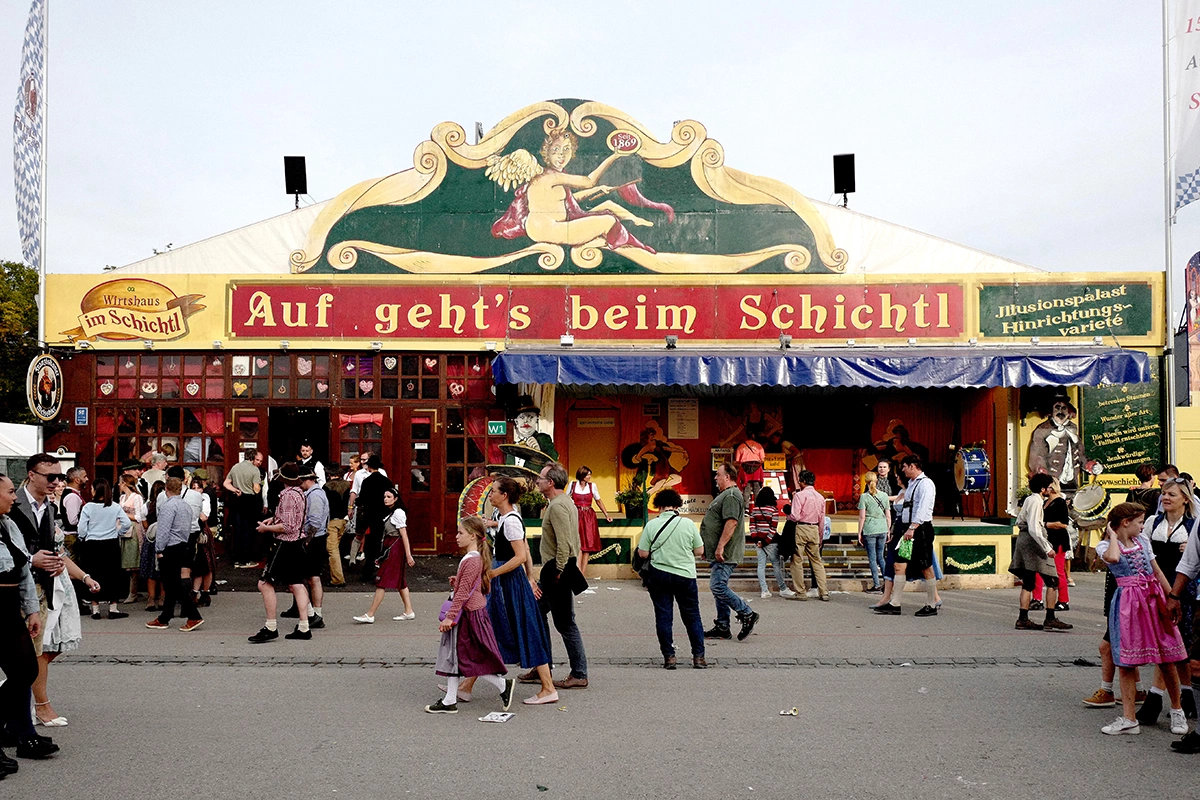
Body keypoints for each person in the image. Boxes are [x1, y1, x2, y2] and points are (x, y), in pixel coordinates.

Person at [1097, 502, 1188, 736]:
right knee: (1126, 663)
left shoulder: (1143, 542)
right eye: (1139, 522)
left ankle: (1178, 711)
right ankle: (1129, 718)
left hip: (1153, 597)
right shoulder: (1105, 545)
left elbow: (1156, 571)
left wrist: (1172, 598)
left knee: (1166, 657)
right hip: (1127, 604)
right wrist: (1113, 535)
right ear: (1125, 523)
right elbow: (1114, 558)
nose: (1142, 526)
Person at [470, 477, 557, 705]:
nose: (490, 495)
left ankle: (548, 688)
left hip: (508, 581)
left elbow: (521, 554)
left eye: (493, 492)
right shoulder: (505, 518)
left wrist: (495, 574)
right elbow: (522, 547)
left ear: (504, 496)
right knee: (492, 628)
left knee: (522, 628)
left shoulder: (511, 521)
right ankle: (464, 686)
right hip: (506, 579)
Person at [425, 517, 515, 715]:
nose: (456, 537)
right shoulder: (475, 558)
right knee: (458, 657)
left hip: (468, 615)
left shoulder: (472, 559)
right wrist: (458, 581)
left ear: (473, 536)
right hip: (471, 612)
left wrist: (450, 615)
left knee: (467, 658)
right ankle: (450, 699)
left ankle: (502, 684)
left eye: (460, 533)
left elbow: (464, 593)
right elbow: (477, 586)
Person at [0, 473, 53, 766]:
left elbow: (22, 570)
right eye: (9, 492)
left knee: (24, 670)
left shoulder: (8, 525)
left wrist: (31, 609)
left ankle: (21, 732)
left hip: (10, 608)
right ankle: (21, 732)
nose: (14, 497)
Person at [1137, 477, 1197, 727]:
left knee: (1177, 646)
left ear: (1185, 498)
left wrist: (1190, 549)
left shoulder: (1193, 526)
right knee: (1170, 646)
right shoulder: (1154, 522)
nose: (1166, 498)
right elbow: (1143, 553)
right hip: (1158, 587)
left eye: (1172, 494)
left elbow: (1195, 562)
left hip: (1183, 588)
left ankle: (1157, 698)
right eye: (1164, 493)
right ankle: (1186, 696)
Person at [637, 489, 707, 669]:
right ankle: (698, 657)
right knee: (692, 617)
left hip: (659, 575)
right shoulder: (689, 524)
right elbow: (699, 551)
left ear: (658, 505)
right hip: (685, 576)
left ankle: (669, 657)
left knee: (663, 616)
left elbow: (643, 553)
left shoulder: (652, 525)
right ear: (677, 505)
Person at [536, 462, 589, 690]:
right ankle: (542, 666)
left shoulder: (557, 506)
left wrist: (558, 570)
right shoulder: (564, 502)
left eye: (540, 478)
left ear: (551, 483)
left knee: (565, 623)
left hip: (555, 570)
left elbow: (565, 542)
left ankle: (578, 673)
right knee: (537, 612)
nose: (537, 481)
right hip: (557, 569)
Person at [248, 463, 313, 643]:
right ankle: (304, 626)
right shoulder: (300, 493)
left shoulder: (288, 495)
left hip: (286, 544)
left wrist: (265, 528)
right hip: (298, 542)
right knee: (297, 584)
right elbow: (294, 520)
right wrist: (274, 519)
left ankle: (270, 626)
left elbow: (287, 526)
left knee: (265, 583)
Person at [872, 455, 938, 617]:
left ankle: (932, 604)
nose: (902, 470)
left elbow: (923, 508)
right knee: (898, 565)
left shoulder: (926, 484)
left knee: (925, 566)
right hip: (907, 529)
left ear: (913, 466)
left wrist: (913, 527)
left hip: (920, 530)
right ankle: (895, 603)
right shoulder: (912, 484)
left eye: (905, 466)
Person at [701, 462, 758, 641]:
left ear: (727, 476)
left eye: (718, 474)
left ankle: (747, 613)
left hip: (727, 551)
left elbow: (731, 522)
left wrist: (720, 547)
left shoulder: (732, 495)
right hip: (720, 551)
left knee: (717, 586)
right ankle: (722, 625)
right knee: (720, 587)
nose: (715, 478)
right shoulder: (726, 495)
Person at [1008, 474, 1072, 632]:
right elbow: (1035, 529)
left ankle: (1023, 618)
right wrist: (1047, 548)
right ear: (1043, 489)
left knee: (1028, 582)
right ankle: (1050, 617)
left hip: (1024, 540)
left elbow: (1021, 521)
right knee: (1052, 580)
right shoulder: (1037, 501)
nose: (1049, 489)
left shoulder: (1029, 499)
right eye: (1048, 487)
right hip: (1033, 542)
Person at [144, 477, 204, 632]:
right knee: (172, 584)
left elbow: (163, 530)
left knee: (172, 584)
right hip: (182, 544)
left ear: (166, 489)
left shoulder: (167, 507)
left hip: (169, 547)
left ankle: (193, 615)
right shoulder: (186, 506)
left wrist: (159, 549)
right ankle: (165, 617)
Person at [353, 487, 415, 623]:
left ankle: (370, 614)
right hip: (391, 546)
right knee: (400, 582)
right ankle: (409, 610)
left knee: (381, 582)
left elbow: (404, 535)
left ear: (396, 498)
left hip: (394, 548)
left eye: (388, 497)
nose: (385, 499)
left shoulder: (398, 513)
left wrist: (409, 555)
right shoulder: (392, 512)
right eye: (384, 497)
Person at [76, 478, 132, 620]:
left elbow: (81, 528)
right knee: (112, 575)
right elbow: (126, 523)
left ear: (95, 490)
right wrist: (117, 532)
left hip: (92, 544)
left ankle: (95, 609)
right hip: (110, 544)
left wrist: (84, 536)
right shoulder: (114, 506)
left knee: (94, 574)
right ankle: (113, 608)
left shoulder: (88, 507)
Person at [281, 466, 329, 627]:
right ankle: (312, 612)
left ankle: (315, 613)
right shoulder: (314, 493)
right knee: (310, 576)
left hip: (314, 539)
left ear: (306, 479)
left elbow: (314, 521)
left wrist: (306, 540)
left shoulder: (314, 495)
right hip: (317, 538)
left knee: (310, 577)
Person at [787, 470, 829, 601]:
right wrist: (820, 535)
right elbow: (822, 519)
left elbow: (795, 516)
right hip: (814, 529)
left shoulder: (799, 496)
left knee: (797, 560)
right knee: (817, 561)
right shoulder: (820, 497)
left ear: (802, 481)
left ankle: (801, 592)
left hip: (801, 527)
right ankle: (824, 592)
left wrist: (788, 514)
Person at [1031, 479, 1071, 612]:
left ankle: (1063, 600)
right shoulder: (1044, 502)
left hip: (1058, 539)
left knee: (1058, 571)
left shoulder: (1059, 502)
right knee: (1038, 569)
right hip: (1045, 539)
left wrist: (1045, 524)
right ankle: (1037, 598)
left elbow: (1064, 524)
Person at [567, 466, 612, 579]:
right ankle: (576, 572)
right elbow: (565, 499)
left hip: (588, 516)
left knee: (587, 544)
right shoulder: (572, 485)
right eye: (588, 475)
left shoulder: (593, 486)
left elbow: (598, 501)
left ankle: (582, 573)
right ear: (582, 475)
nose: (589, 477)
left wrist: (606, 514)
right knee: (578, 544)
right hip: (576, 514)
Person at [224, 449, 264, 569]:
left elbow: (226, 483)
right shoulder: (254, 470)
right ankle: (246, 559)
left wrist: (235, 489)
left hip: (237, 500)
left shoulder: (235, 467)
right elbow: (256, 488)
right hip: (249, 501)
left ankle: (236, 559)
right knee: (248, 530)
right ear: (253, 458)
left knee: (238, 530)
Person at [355, 455, 392, 583]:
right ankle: (382, 571)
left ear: (369, 466)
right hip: (383, 516)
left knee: (370, 545)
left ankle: (368, 571)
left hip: (370, 517)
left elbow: (361, 499)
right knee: (382, 544)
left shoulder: (367, 481)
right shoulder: (386, 481)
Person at [749, 485, 789, 599]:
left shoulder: (755, 510)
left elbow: (752, 525)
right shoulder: (773, 510)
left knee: (761, 565)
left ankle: (764, 590)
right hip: (771, 542)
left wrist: (757, 539)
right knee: (776, 565)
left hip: (758, 542)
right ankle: (782, 588)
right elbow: (773, 528)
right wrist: (766, 541)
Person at [858, 471, 891, 593]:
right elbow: (888, 515)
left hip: (870, 528)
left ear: (865, 482)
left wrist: (859, 532)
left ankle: (876, 584)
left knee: (872, 559)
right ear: (876, 481)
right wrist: (888, 530)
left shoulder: (864, 497)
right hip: (882, 528)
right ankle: (888, 583)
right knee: (881, 558)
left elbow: (862, 517)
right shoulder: (884, 496)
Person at [117, 472, 145, 605]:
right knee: (127, 561)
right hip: (123, 530)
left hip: (133, 530)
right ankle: (130, 590)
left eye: (120, 482)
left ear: (125, 483)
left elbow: (139, 517)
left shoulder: (137, 498)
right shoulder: (122, 498)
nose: (118, 485)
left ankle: (133, 592)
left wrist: (124, 515)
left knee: (134, 562)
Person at [139, 480, 166, 612]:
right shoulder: (167, 505)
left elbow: (144, 523)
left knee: (151, 571)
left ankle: (151, 598)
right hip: (165, 539)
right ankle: (162, 597)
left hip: (150, 539)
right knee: (163, 571)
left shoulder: (147, 505)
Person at [323, 467, 351, 586]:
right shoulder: (347, 485)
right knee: (336, 548)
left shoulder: (327, 487)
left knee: (332, 550)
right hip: (343, 520)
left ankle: (338, 579)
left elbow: (325, 506)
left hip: (332, 520)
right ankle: (335, 575)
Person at [58, 466, 87, 558]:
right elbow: (73, 520)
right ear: (77, 480)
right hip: (72, 537)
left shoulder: (72, 494)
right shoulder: (72, 496)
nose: (87, 479)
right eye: (84, 477)